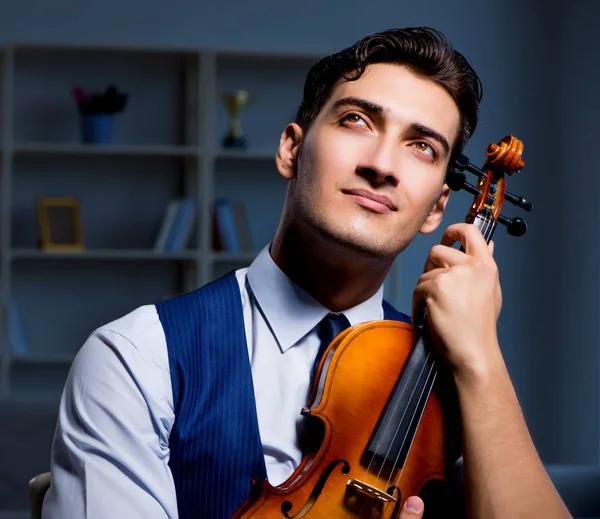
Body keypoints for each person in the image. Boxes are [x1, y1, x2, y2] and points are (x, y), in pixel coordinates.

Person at [42, 27, 570, 519]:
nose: (382, 164)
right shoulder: (137, 356)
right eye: (356, 120)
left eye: (422, 146)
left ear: (437, 209)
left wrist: (481, 357)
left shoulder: (449, 374)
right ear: (291, 149)